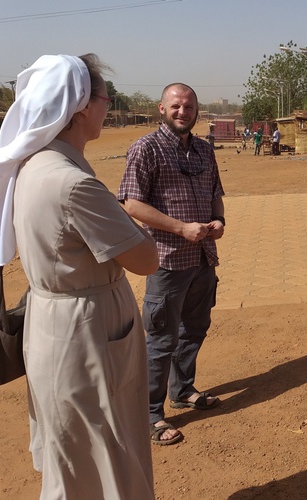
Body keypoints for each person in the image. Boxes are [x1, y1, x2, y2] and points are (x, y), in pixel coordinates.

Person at [0, 54, 158, 498]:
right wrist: (137, 223)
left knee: (72, 451)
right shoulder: (72, 183)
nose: (109, 107)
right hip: (87, 330)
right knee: (104, 453)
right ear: (80, 108)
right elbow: (145, 259)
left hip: (56, 321)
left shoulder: (33, 168)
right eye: (106, 98)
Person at [118, 83, 226, 445]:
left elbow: (215, 194)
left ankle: (182, 391)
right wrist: (181, 228)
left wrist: (218, 221)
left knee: (194, 329)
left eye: (190, 106)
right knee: (162, 338)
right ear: (161, 108)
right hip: (167, 261)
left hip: (202, 259)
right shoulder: (146, 149)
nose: (184, 111)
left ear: (198, 110)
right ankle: (151, 413)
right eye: (176, 106)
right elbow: (131, 204)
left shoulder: (203, 150)